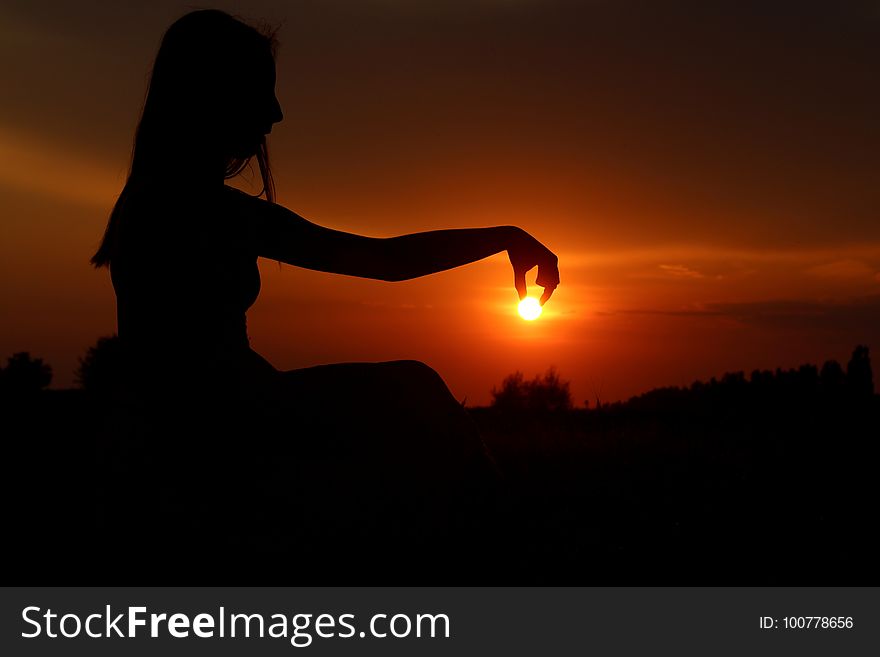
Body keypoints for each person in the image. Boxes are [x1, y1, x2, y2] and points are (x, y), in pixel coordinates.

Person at [90, 9, 560, 572]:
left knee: (410, 400)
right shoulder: (199, 210)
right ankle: (514, 561)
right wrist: (505, 237)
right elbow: (384, 260)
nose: (276, 112)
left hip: (206, 423)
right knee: (415, 391)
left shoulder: (152, 202)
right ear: (212, 94)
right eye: (260, 91)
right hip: (219, 432)